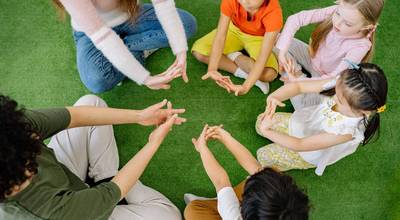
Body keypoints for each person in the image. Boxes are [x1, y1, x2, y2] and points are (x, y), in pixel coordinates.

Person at [0, 94, 186, 219]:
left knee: (91, 101)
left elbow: (75, 116)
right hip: (73, 211)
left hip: (67, 182)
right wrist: (153, 143)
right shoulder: (48, 212)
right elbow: (111, 192)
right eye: (31, 145)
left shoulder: (12, 127)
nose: (35, 135)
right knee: (169, 215)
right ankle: (104, 186)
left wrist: (140, 116)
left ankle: (104, 174)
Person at [256, 63, 387, 176]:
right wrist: (274, 97)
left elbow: (300, 145)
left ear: (363, 111)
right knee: (260, 121)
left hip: (307, 152)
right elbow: (299, 87)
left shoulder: (347, 132)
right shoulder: (344, 83)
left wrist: (267, 131)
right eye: (336, 92)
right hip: (304, 123)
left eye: (339, 100)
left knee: (263, 155)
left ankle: (291, 163)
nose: (334, 98)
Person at [53, 0, 197, 93]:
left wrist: (180, 52)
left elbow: (163, 4)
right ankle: (140, 49)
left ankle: (127, 55)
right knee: (96, 81)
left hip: (132, 16)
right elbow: (103, 37)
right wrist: (145, 79)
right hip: (92, 34)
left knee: (187, 25)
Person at [184, 124, 310, 219]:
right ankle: (222, 199)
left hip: (230, 213)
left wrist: (202, 148)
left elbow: (220, 181)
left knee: (192, 210)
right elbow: (254, 167)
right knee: (262, 178)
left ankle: (220, 200)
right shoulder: (275, 189)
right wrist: (226, 137)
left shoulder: (233, 216)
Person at [275, 0, 384, 109]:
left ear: (366, 27)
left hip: (324, 78)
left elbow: (334, 78)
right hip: (311, 56)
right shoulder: (339, 10)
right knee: (277, 40)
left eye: (348, 23)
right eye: (338, 14)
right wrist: (282, 53)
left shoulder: (361, 46)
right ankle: (293, 74)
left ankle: (293, 75)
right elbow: (296, 19)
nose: (337, 23)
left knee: (301, 106)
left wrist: (299, 82)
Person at [192, 0, 283, 95]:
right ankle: (246, 74)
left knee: (268, 74)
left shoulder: (274, 14)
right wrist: (212, 69)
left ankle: (234, 55)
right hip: (233, 31)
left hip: (259, 38)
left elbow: (263, 57)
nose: (245, 1)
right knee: (199, 52)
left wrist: (245, 87)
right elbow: (220, 36)